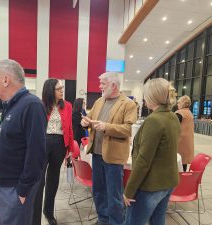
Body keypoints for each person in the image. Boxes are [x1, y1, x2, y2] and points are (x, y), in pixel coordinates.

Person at [0, 59, 47, 225]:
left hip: (15, 188)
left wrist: (23, 190)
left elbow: (37, 152)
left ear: (6, 80)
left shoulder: (32, 105)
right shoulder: (10, 105)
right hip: (3, 184)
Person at [81, 72, 137, 225]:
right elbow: (90, 118)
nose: (100, 86)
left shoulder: (128, 104)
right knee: (98, 191)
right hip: (97, 154)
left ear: (113, 85)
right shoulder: (100, 101)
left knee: (114, 195)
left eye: (103, 84)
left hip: (114, 156)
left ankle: (116, 222)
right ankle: (103, 219)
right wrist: (86, 122)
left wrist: (107, 127)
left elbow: (127, 129)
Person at [123, 78, 181, 225]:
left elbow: (143, 160)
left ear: (152, 97)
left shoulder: (154, 120)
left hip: (151, 185)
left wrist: (128, 191)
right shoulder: (173, 117)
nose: (144, 98)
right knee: (157, 221)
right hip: (168, 182)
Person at [33, 79, 74, 225]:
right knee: (39, 181)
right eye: (58, 89)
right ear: (50, 90)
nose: (62, 91)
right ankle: (34, 215)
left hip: (60, 144)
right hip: (43, 143)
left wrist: (70, 148)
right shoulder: (40, 105)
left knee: (53, 179)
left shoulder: (67, 105)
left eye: (62, 88)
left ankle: (48, 212)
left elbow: (69, 128)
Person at [175, 95, 194, 172]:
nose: (177, 104)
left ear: (183, 103)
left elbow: (173, 126)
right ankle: (183, 179)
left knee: (178, 161)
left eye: (179, 102)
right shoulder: (189, 113)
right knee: (184, 163)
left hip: (180, 142)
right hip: (188, 142)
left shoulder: (179, 113)